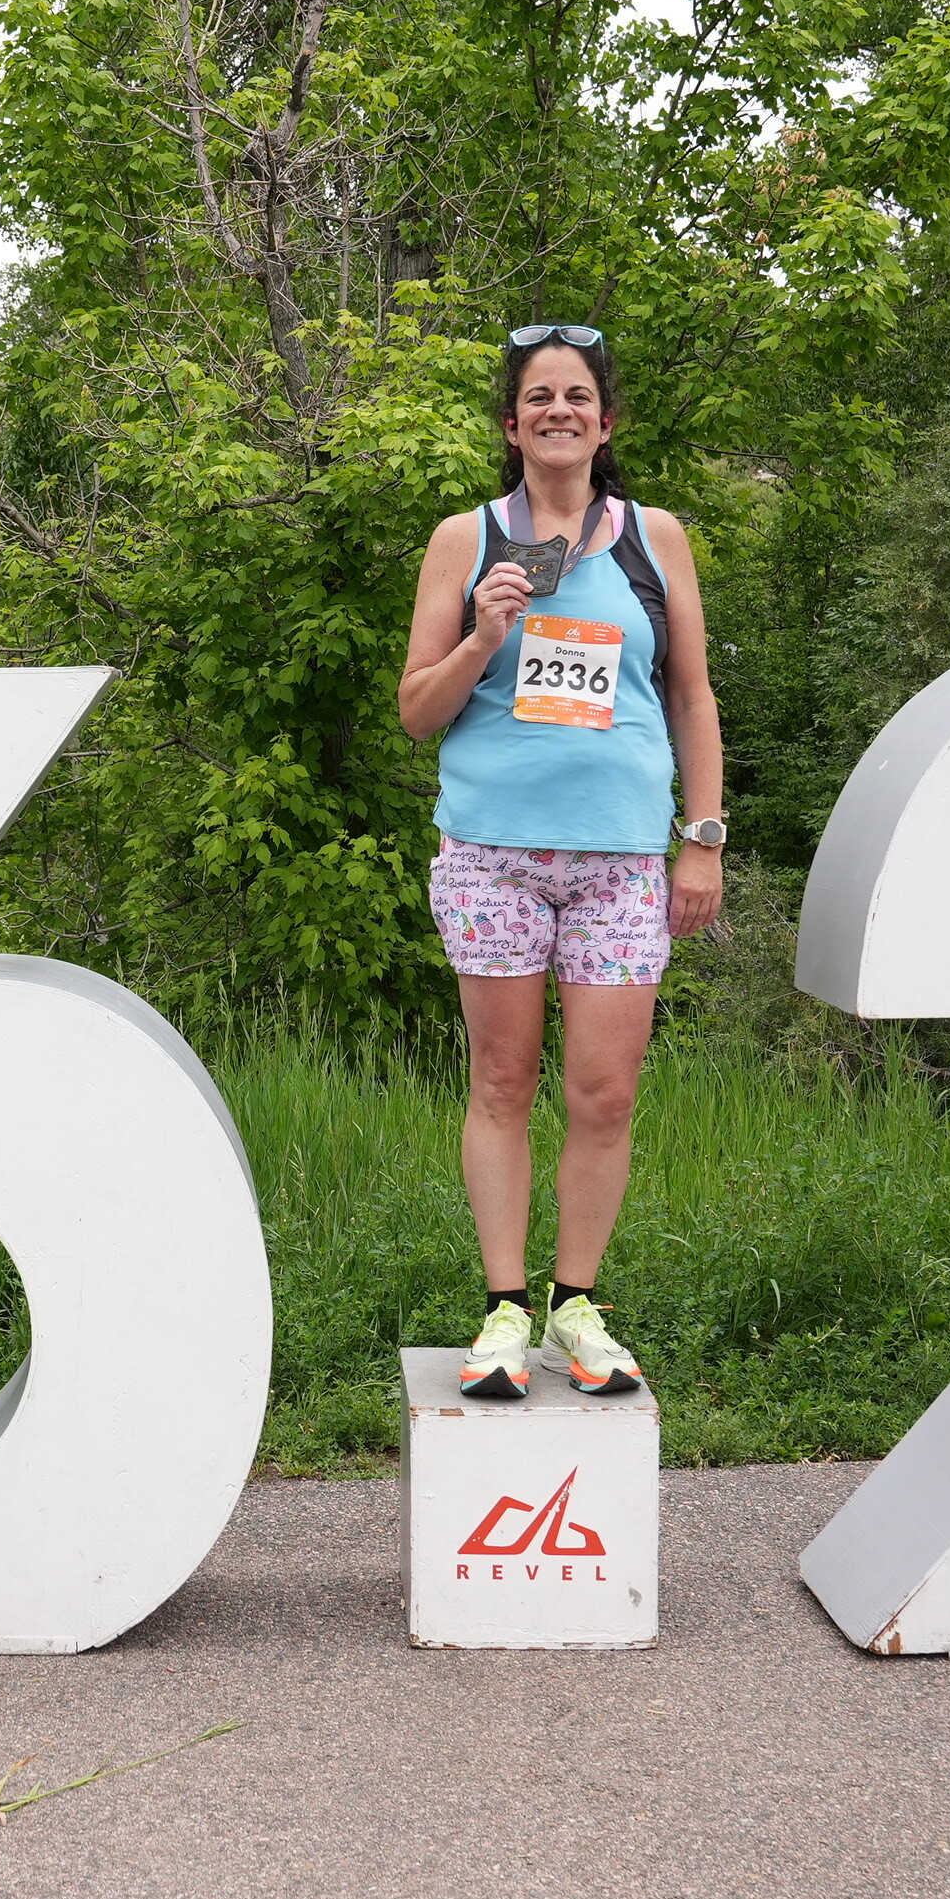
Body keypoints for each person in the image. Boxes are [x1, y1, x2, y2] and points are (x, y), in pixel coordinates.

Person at [396, 325, 726, 1400]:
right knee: (502, 1080)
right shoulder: (466, 539)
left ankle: (577, 1306)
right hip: (490, 854)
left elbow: (691, 697)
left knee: (604, 1092)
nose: (558, 411)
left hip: (622, 860)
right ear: (512, 424)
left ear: (604, 421)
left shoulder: (653, 538)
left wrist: (703, 837)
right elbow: (416, 712)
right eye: (538, 396)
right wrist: (481, 636)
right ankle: (503, 1310)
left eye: (577, 396)